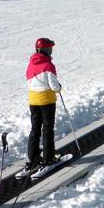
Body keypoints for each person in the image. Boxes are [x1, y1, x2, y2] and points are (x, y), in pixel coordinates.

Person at [26, 37, 62, 174]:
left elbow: (28, 81)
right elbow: (54, 86)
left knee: (35, 129)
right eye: (50, 48)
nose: (51, 50)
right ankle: (49, 158)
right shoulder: (48, 65)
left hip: (33, 100)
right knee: (47, 130)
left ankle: (33, 158)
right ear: (46, 49)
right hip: (47, 101)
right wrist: (59, 87)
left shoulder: (31, 64)